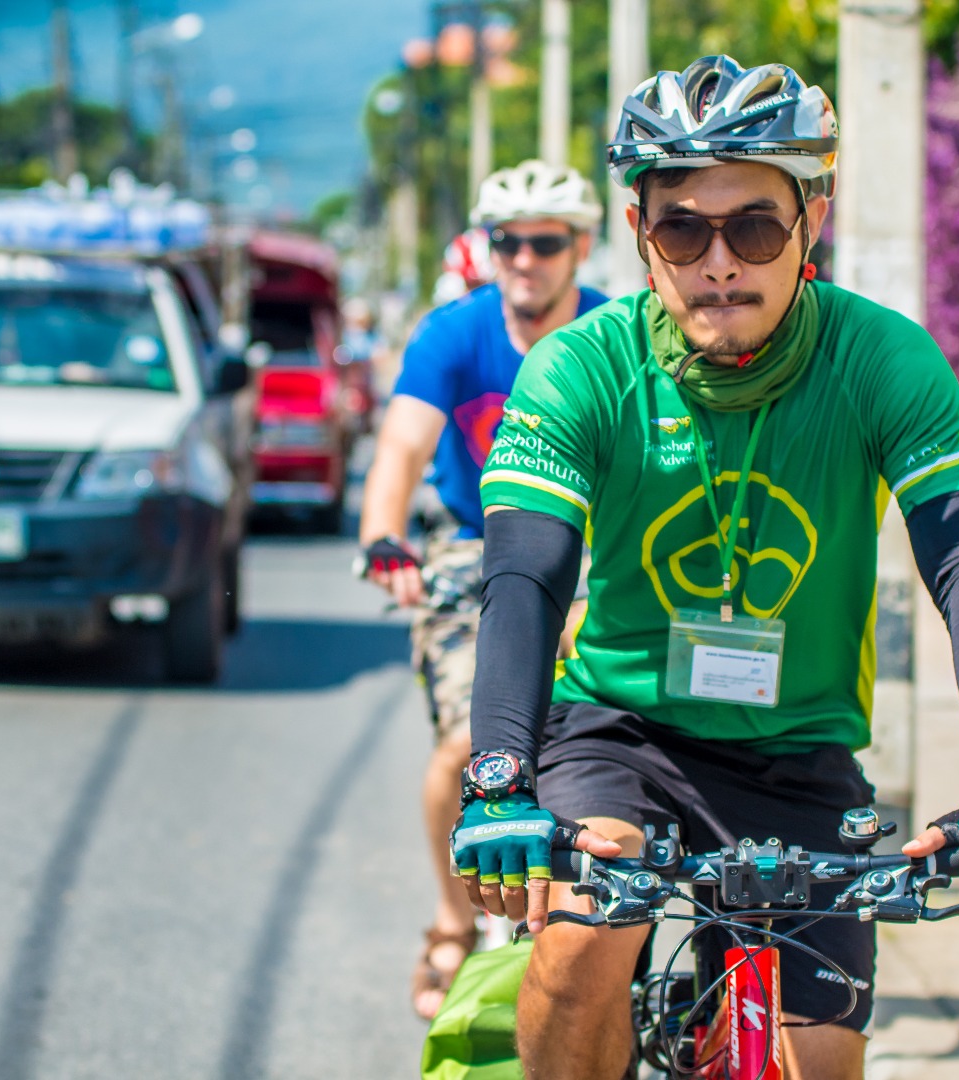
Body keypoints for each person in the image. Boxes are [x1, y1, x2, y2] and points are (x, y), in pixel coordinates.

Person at [449, 57, 959, 1079]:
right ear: (641, 233)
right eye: (683, 227)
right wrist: (500, 783)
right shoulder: (580, 366)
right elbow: (524, 580)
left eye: (754, 227)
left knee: (821, 1065)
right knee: (580, 938)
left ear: (807, 224)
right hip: (622, 731)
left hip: (801, 750)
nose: (719, 262)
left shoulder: (883, 360)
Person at [357, 160, 609, 1020]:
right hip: (477, 549)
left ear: (582, 246)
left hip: (602, 550)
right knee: (469, 742)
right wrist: (385, 536)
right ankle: (452, 915)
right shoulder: (454, 334)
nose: (525, 260)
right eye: (508, 242)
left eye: (546, 242)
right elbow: (399, 448)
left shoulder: (618, 332)